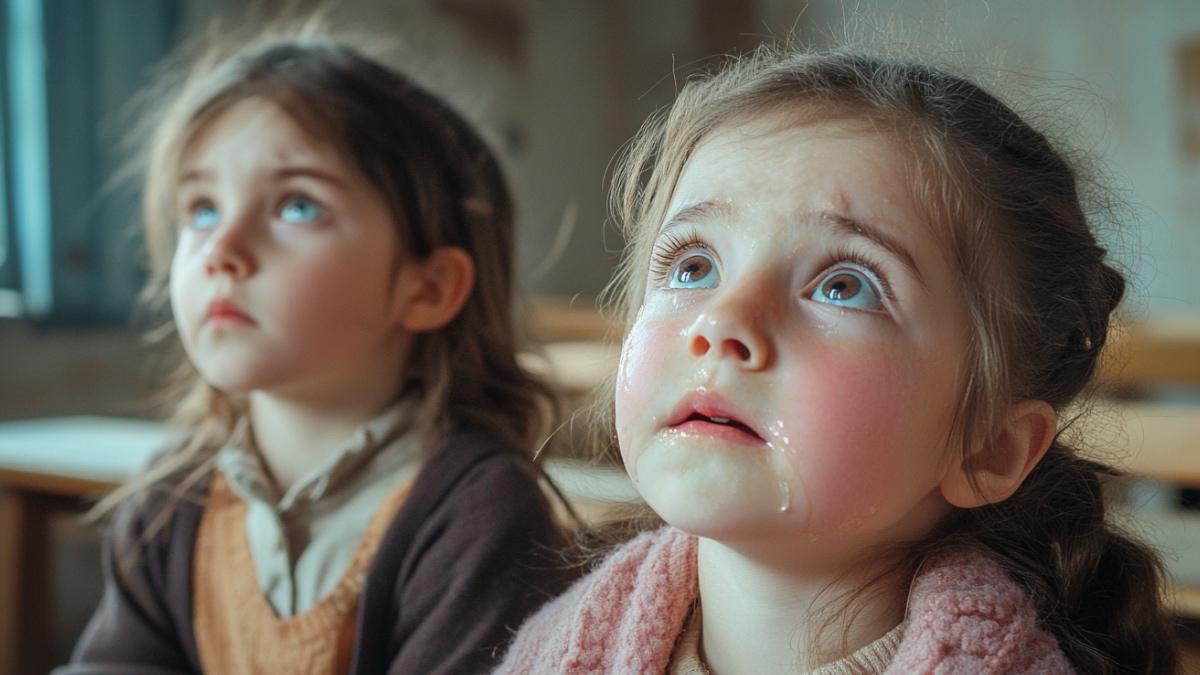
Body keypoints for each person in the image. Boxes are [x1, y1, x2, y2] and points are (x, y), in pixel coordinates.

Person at [495, 45, 1180, 674]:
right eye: (694, 265)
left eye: (844, 285)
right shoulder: (547, 652)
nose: (722, 320)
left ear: (988, 446)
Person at [58, 26, 571, 675]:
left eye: (298, 206)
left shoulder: (477, 514)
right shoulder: (172, 497)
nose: (222, 251)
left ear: (427, 287)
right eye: (203, 209)